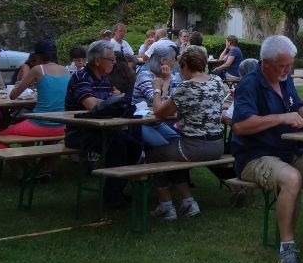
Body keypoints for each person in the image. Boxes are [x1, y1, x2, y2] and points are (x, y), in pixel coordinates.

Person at [229, 35, 303, 263]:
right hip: (255, 156)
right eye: (282, 66)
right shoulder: (250, 84)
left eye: (289, 65)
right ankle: (287, 248)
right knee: (292, 178)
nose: (287, 70)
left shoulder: (285, 80)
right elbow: (240, 126)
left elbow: (296, 115)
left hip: (289, 151)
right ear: (266, 62)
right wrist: (281, 118)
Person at [145, 47, 225, 220]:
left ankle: (166, 205)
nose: (180, 72)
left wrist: (157, 89)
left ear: (186, 65)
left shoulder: (186, 87)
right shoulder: (217, 81)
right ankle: (188, 202)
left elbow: (159, 112)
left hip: (194, 147)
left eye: (181, 67)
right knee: (173, 154)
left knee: (154, 153)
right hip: (218, 146)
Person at [64, 40, 142, 208]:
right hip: (79, 133)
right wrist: (116, 100)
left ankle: (114, 190)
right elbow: (91, 104)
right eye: (111, 60)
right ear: (98, 61)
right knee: (118, 146)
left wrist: (116, 100)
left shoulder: (104, 79)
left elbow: (109, 102)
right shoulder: (81, 77)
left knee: (134, 145)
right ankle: (112, 196)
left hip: (101, 130)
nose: (114, 63)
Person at [0, 39, 68, 150]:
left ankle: (18, 161)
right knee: (50, 145)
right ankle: (40, 161)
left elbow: (13, 95)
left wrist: (23, 83)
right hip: (62, 125)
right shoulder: (66, 71)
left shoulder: (38, 69)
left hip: (40, 124)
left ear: (37, 56)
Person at [131, 44, 182, 147]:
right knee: (162, 147)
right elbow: (160, 104)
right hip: (141, 123)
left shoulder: (169, 76)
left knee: (178, 142)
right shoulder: (145, 76)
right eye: (173, 59)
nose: (175, 62)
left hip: (157, 122)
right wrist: (166, 82)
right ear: (163, 61)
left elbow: (174, 99)